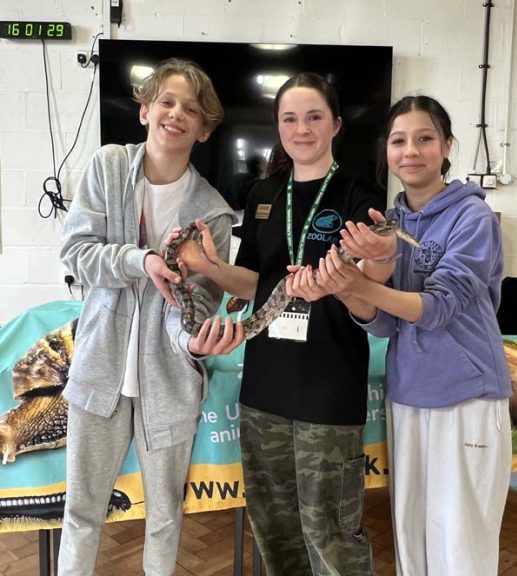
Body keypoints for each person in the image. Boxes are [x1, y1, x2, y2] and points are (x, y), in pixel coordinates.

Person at [170, 72, 380, 575]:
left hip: (328, 385)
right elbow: (255, 284)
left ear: (334, 125)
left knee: (330, 530)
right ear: (278, 127)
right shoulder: (264, 192)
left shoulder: (359, 193)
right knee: (275, 527)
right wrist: (207, 266)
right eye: (289, 118)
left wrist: (344, 282)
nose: (301, 129)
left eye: (313, 117)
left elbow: (371, 289)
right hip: (265, 388)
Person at [296, 95, 513, 575]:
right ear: (386, 152)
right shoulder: (386, 224)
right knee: (412, 536)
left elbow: (437, 308)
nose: (410, 151)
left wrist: (362, 282)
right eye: (399, 141)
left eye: (424, 138)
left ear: (447, 146)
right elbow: (385, 321)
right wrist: (347, 290)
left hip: (467, 396)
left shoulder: (472, 218)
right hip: (409, 393)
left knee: (461, 541)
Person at [58, 58, 243, 576]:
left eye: (191, 109)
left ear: (204, 129)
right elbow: (76, 253)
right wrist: (142, 261)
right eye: (166, 101)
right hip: (99, 372)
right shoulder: (109, 167)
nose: (176, 114)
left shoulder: (213, 213)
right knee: (82, 511)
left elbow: (201, 305)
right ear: (145, 110)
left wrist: (194, 344)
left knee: (165, 517)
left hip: (169, 385)